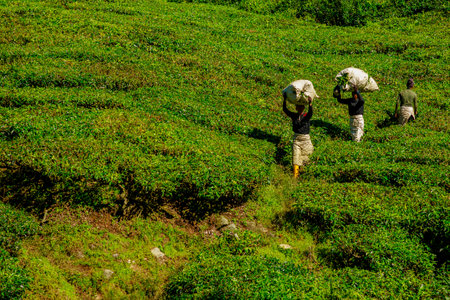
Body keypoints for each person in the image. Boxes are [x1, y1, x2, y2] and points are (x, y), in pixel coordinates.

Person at [283, 94, 314, 178]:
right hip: (297, 139)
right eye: (298, 107)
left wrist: (310, 104)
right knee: (295, 157)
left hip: (305, 139)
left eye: (301, 107)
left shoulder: (306, 116)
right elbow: (285, 110)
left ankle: (305, 174)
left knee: (306, 156)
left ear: (303, 108)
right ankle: (295, 176)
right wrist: (284, 100)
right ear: (296, 108)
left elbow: (310, 113)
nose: (300, 109)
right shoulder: (294, 116)